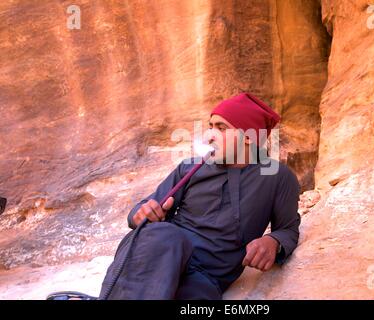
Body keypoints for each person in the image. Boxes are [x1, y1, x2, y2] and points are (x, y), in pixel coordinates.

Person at [99, 92, 301, 299]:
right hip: (162, 258)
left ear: (248, 137)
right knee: (164, 235)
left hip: (206, 278)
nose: (209, 136)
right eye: (210, 126)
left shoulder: (277, 177)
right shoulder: (189, 168)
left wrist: (273, 241)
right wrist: (141, 213)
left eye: (221, 128)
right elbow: (144, 210)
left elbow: (288, 229)